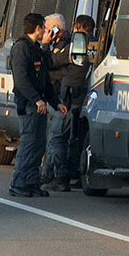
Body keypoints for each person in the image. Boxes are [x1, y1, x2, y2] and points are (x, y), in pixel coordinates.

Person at [9, 13, 67, 197]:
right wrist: (36, 99)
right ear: (37, 28)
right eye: (44, 28)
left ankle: (31, 181)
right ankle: (18, 183)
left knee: (39, 144)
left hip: (39, 104)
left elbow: (45, 78)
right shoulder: (21, 48)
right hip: (28, 104)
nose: (46, 31)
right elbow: (21, 80)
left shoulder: (36, 48)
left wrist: (56, 103)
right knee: (28, 142)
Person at [48, 14, 95, 190]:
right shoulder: (98, 46)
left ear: (76, 27)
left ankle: (60, 178)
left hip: (69, 99)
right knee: (77, 139)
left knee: (58, 137)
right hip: (86, 97)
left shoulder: (76, 45)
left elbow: (52, 61)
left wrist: (47, 45)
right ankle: (77, 174)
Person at [40, 13, 70, 189]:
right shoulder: (56, 45)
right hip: (55, 97)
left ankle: (58, 177)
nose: (45, 32)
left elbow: (48, 62)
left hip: (60, 97)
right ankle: (48, 173)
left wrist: (45, 44)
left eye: (47, 29)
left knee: (55, 139)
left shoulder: (65, 45)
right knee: (51, 139)